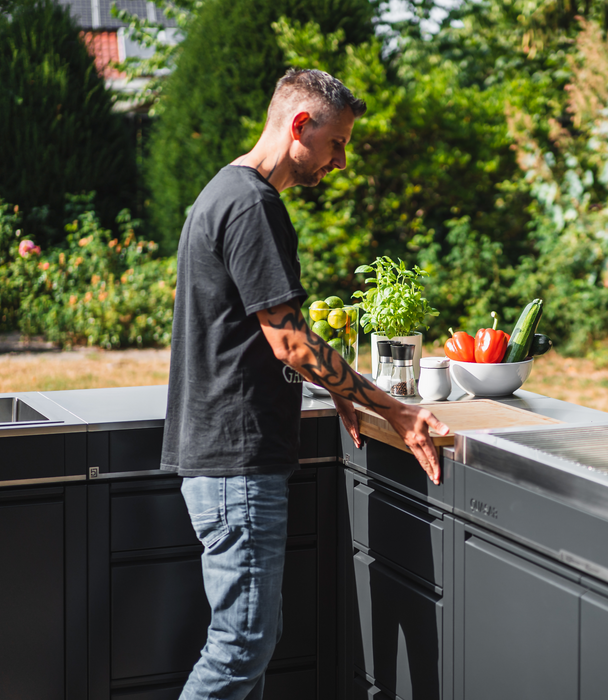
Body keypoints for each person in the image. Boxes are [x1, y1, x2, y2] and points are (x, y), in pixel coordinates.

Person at [160, 68, 449, 700]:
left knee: (248, 647)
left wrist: (343, 391)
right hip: (236, 462)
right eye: (338, 143)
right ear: (300, 127)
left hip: (221, 457)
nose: (341, 161)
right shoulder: (252, 205)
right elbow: (289, 340)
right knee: (241, 647)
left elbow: (261, 336)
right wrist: (395, 411)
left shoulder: (223, 192)